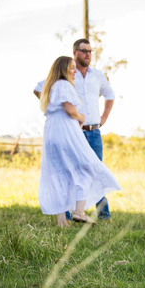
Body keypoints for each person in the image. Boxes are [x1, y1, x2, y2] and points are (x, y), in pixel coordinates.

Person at [34, 38, 116, 222]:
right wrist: (54, 107)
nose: (88, 54)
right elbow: (39, 88)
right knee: (72, 171)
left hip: (93, 131)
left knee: (94, 169)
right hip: (71, 132)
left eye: (90, 51)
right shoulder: (64, 77)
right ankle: (72, 214)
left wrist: (103, 119)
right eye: (84, 50)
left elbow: (110, 95)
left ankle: (102, 214)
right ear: (75, 52)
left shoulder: (97, 75)